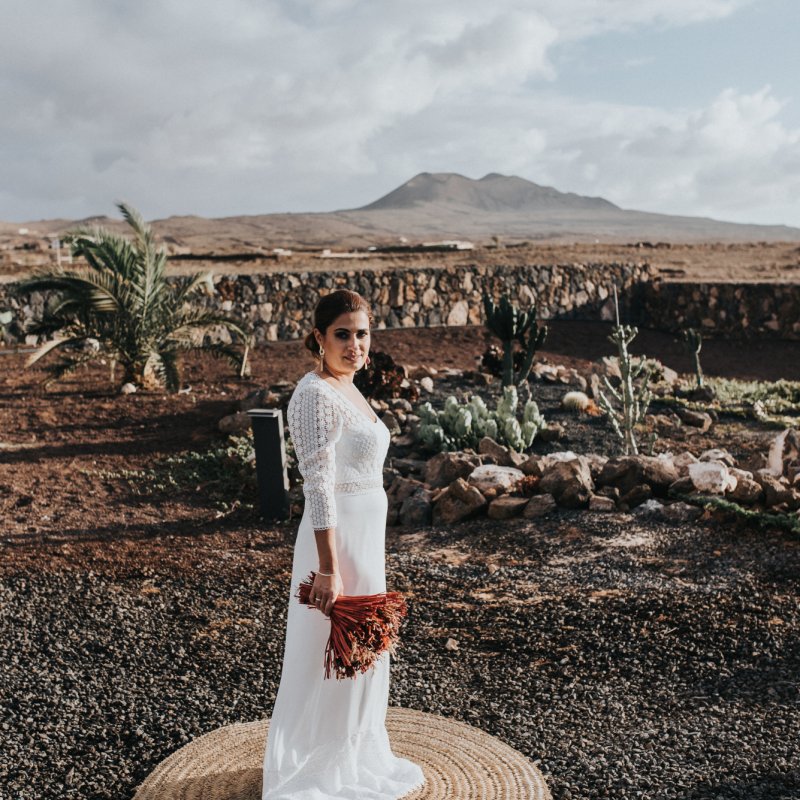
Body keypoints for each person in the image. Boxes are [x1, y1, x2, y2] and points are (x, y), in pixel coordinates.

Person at [262, 289, 426, 799]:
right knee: (330, 650)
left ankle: (356, 753)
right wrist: (329, 568)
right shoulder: (313, 395)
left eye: (362, 334)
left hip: (366, 536)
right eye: (343, 334)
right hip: (336, 542)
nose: (355, 345)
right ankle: (322, 766)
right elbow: (318, 485)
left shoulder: (350, 387)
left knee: (364, 647)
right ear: (318, 337)